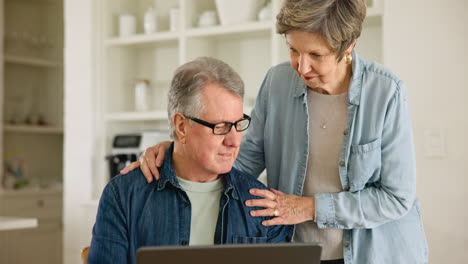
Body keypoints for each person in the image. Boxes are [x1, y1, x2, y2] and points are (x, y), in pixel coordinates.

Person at [122, 0, 429, 263]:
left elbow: (396, 198)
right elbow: (242, 161)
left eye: (316, 55)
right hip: (298, 250)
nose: (302, 66)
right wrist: (180, 150)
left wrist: (310, 207)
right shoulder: (278, 82)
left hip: (376, 253)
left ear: (348, 46)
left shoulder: (386, 92)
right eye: (294, 50)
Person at [88, 57, 292, 264]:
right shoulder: (123, 195)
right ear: (182, 126)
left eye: (238, 124)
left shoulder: (264, 205)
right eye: (220, 127)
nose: (234, 141)